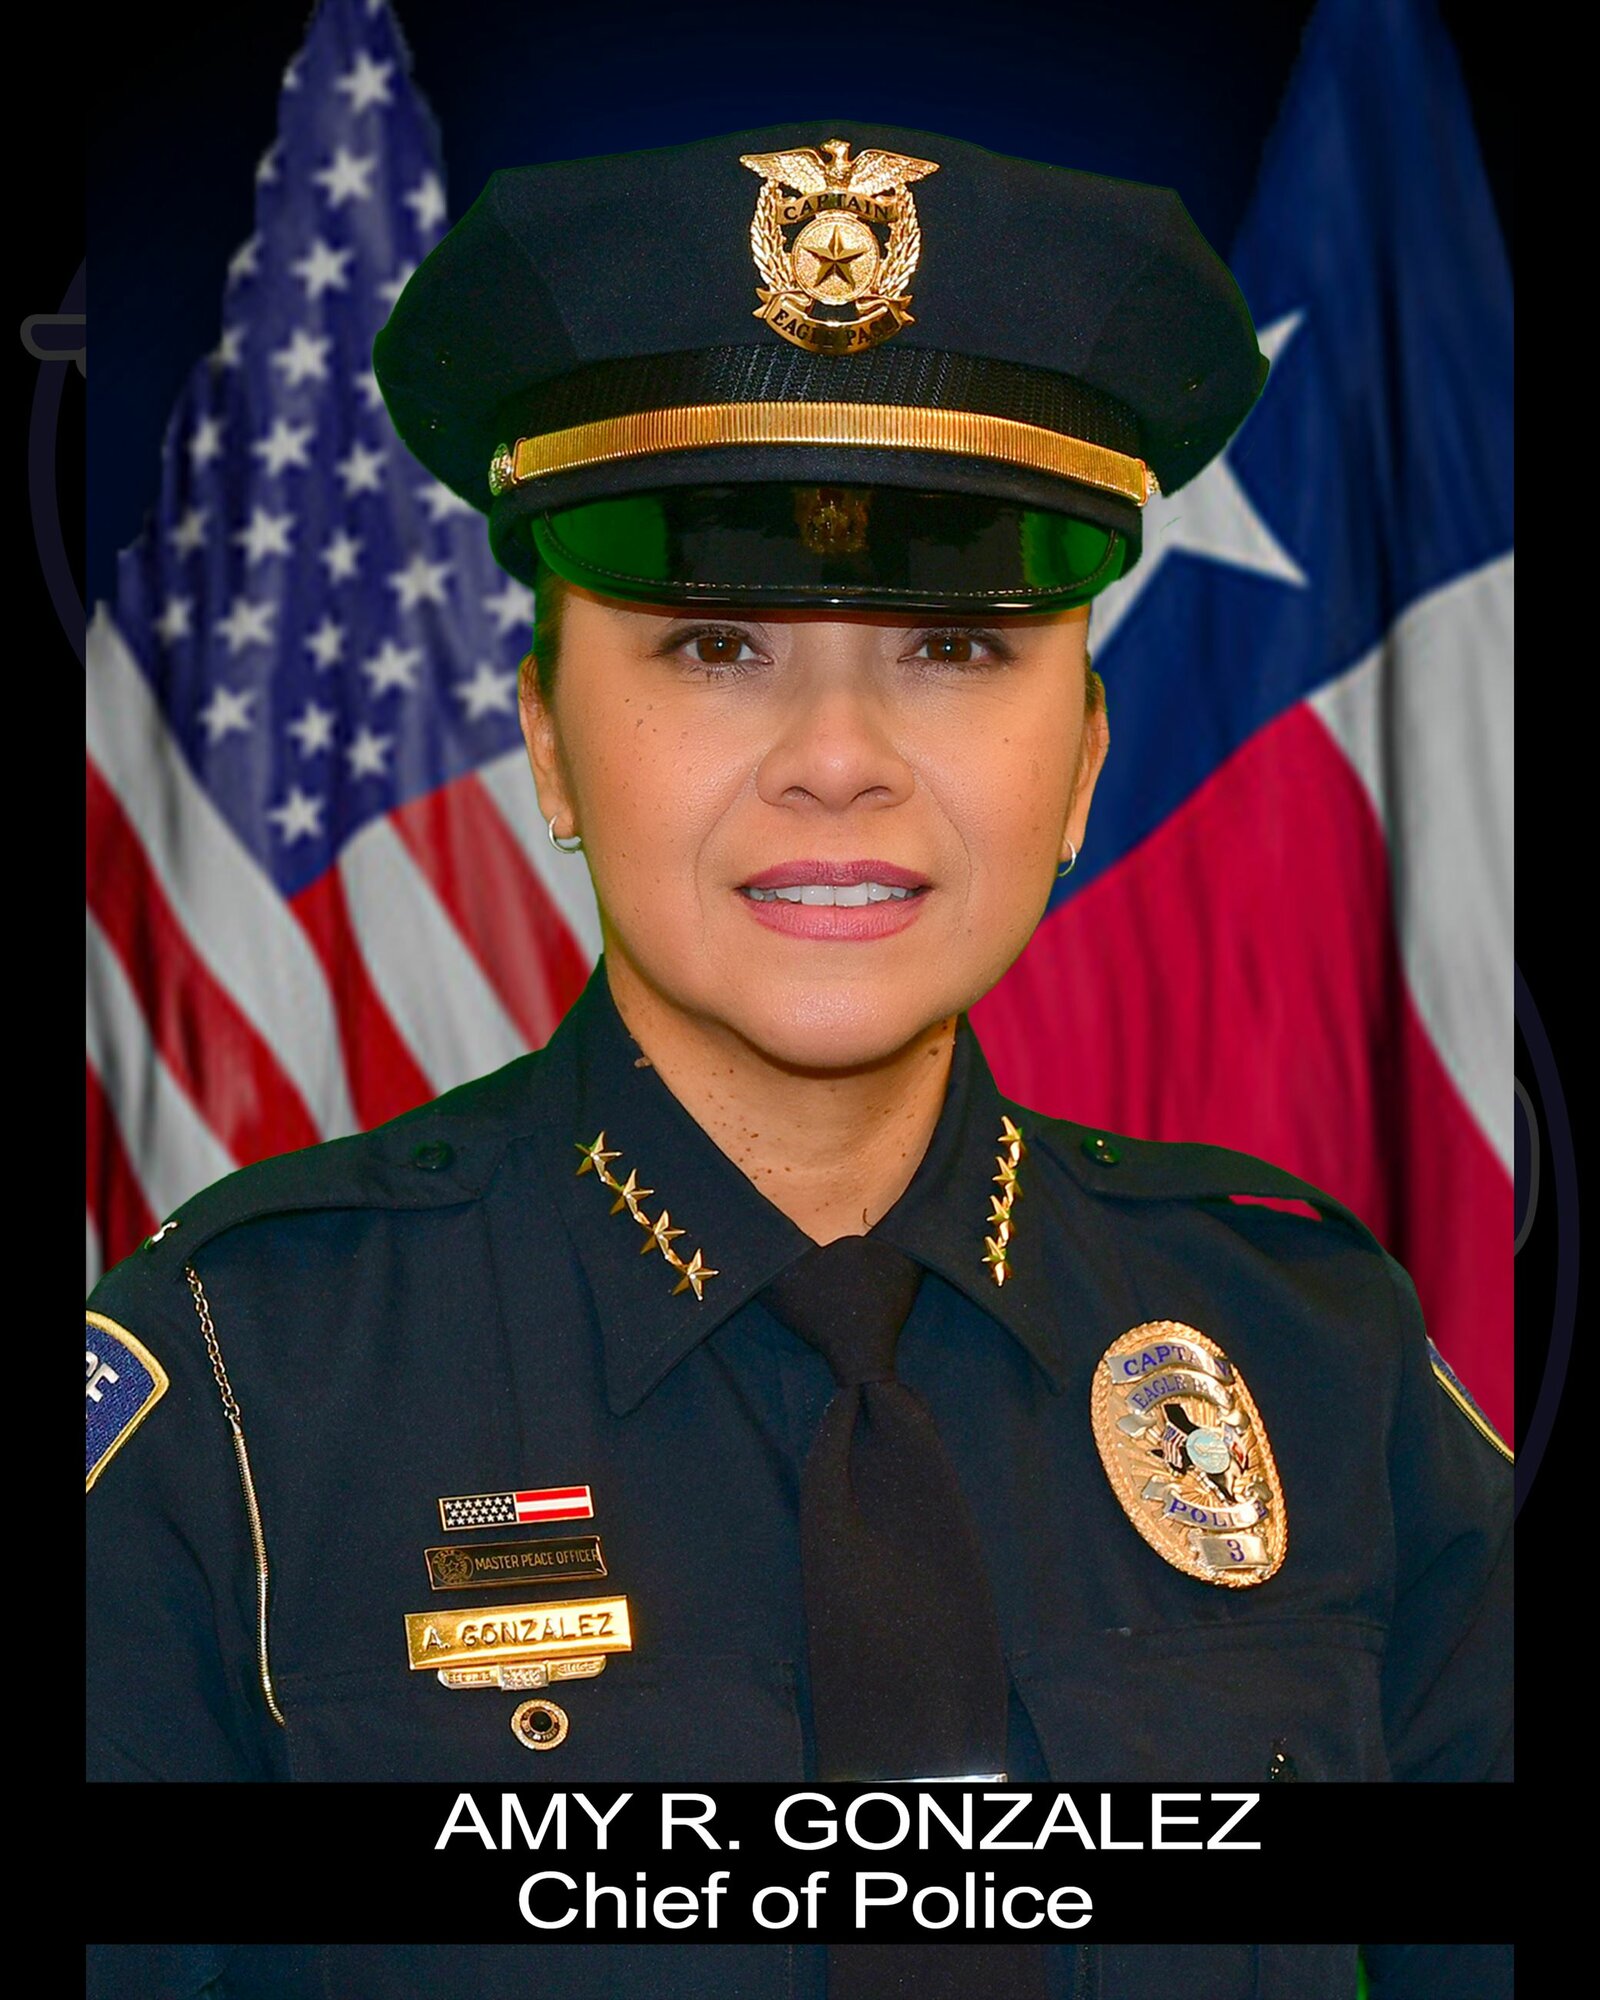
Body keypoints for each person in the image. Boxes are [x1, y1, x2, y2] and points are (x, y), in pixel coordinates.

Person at [87, 123, 1510, 1810]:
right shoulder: (238, 1400)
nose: (838, 760)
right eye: (714, 644)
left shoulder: (1319, 1360)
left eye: (955, 646)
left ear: (1082, 764)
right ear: (547, 746)